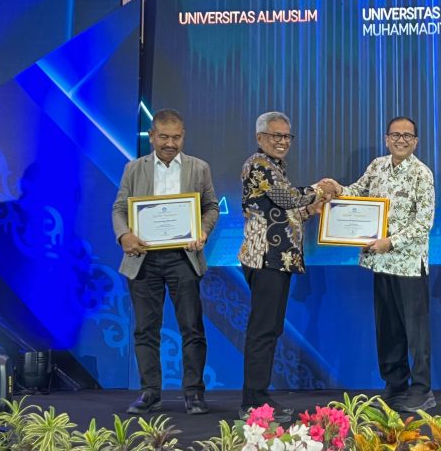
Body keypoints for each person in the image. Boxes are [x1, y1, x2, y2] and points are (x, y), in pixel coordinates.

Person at [112, 108, 219, 415]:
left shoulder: (199, 168)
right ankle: (150, 393)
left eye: (176, 137)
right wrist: (124, 237)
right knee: (145, 330)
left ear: (183, 135)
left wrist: (203, 229)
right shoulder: (134, 169)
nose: (170, 143)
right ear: (152, 136)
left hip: (183, 258)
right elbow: (119, 209)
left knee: (192, 328)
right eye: (164, 137)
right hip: (143, 258)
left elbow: (211, 207)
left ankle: (194, 394)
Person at [325, 116, 436, 413]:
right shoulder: (376, 166)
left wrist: (391, 241)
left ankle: (422, 389)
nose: (401, 140)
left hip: (409, 264)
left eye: (408, 136)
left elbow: (424, 222)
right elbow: (356, 193)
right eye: (396, 135)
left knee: (416, 332)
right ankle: (395, 384)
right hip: (380, 262)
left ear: (416, 141)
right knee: (387, 329)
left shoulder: (421, 174)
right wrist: (336, 188)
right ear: (386, 139)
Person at [237, 111, 331, 422]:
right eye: (275, 135)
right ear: (260, 138)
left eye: (286, 136)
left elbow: (281, 215)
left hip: (278, 260)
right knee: (263, 330)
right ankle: (252, 403)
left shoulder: (276, 167)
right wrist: (322, 187)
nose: (282, 141)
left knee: (271, 328)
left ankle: (259, 399)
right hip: (264, 259)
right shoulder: (258, 164)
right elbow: (287, 198)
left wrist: (310, 212)